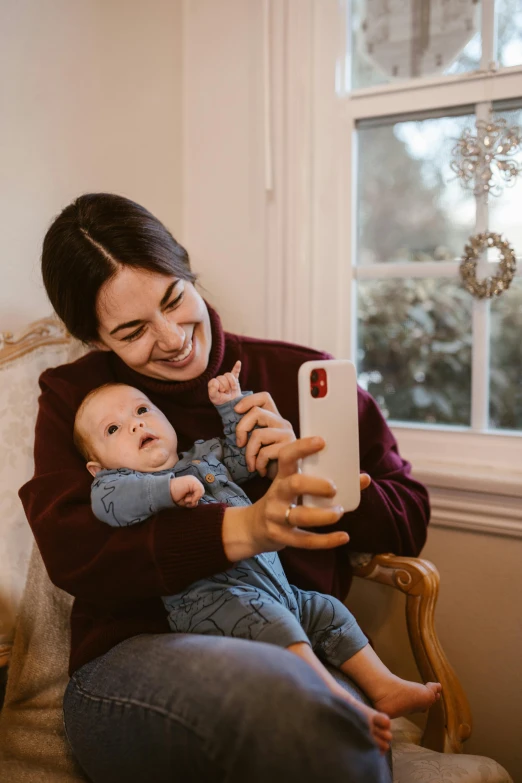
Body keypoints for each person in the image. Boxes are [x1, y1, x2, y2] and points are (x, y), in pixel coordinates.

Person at [20, 192, 431, 783]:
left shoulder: (295, 375)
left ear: (186, 268)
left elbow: (409, 517)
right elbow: (73, 550)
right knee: (287, 707)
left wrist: (314, 478)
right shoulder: (81, 403)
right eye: (133, 329)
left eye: (173, 299)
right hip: (137, 657)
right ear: (95, 339)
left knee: (334, 727)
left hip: (298, 639)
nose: (171, 338)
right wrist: (242, 527)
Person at [73, 370, 440, 755]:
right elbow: (111, 504)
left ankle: (384, 687)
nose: (135, 425)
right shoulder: (114, 484)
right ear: (98, 467)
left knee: (327, 609)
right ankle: (337, 704)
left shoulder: (201, 458)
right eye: (113, 429)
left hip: (276, 589)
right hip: (213, 604)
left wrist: (232, 407)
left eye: (142, 410)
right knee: (275, 624)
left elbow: (243, 459)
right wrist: (167, 489)